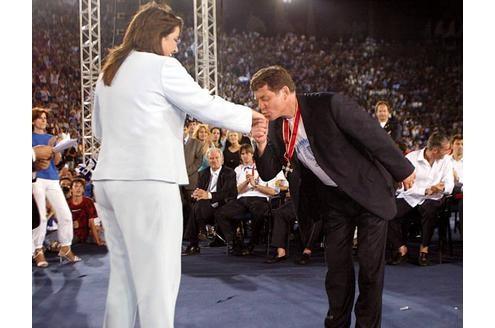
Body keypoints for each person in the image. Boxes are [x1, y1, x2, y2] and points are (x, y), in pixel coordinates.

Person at [91, 3, 264, 328]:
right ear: (157, 37)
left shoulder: (109, 72)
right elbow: (204, 104)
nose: (175, 46)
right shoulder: (161, 66)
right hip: (147, 181)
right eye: (173, 39)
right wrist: (248, 117)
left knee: (123, 277)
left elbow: (99, 131)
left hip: (108, 181)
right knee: (159, 278)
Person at [249, 66, 415, 328]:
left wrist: (403, 169)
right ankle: (337, 323)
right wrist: (259, 144)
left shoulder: (328, 104)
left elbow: (372, 134)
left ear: (284, 91)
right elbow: (269, 171)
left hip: (366, 193)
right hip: (333, 201)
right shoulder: (276, 127)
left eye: (264, 98)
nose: (260, 105)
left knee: (371, 271)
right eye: (258, 100)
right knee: (337, 270)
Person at [387, 132, 454, 266]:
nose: (449, 151)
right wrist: (427, 190)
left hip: (433, 198)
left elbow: (450, 184)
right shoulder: (411, 158)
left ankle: (424, 250)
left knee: (429, 211)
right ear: (435, 150)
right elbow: (404, 187)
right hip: (411, 196)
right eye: (446, 149)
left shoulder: (445, 160)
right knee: (388, 213)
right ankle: (401, 249)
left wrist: (441, 188)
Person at [215, 144, 287, 255]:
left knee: (258, 213)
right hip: (242, 199)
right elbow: (235, 191)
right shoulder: (238, 169)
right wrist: (246, 182)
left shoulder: (270, 168)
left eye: (247, 153)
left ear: (253, 154)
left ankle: (252, 243)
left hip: (260, 199)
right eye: (242, 154)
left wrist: (256, 185)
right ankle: (234, 242)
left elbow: (273, 191)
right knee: (221, 213)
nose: (245, 156)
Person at [32, 107, 81, 268]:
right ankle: (37, 250)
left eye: (45, 117)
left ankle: (65, 247)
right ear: (33, 121)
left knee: (65, 214)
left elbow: (57, 161)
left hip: (53, 177)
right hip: (36, 178)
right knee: (41, 217)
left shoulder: (51, 137)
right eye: (40, 118)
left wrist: (59, 148)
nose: (44, 120)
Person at [182, 148, 237, 255]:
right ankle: (201, 231)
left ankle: (194, 243)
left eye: (217, 158)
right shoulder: (203, 173)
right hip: (205, 207)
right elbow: (199, 190)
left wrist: (209, 195)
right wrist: (196, 194)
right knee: (198, 204)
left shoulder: (230, 173)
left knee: (197, 207)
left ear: (222, 159)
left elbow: (228, 193)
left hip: (223, 205)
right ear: (208, 160)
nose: (214, 160)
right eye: (211, 158)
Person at [68, 178, 105, 246]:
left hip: (81, 235)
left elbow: (91, 222)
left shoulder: (88, 202)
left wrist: (97, 241)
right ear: (71, 190)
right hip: (69, 231)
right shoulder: (67, 203)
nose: (78, 189)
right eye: (76, 186)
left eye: (81, 186)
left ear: (83, 190)